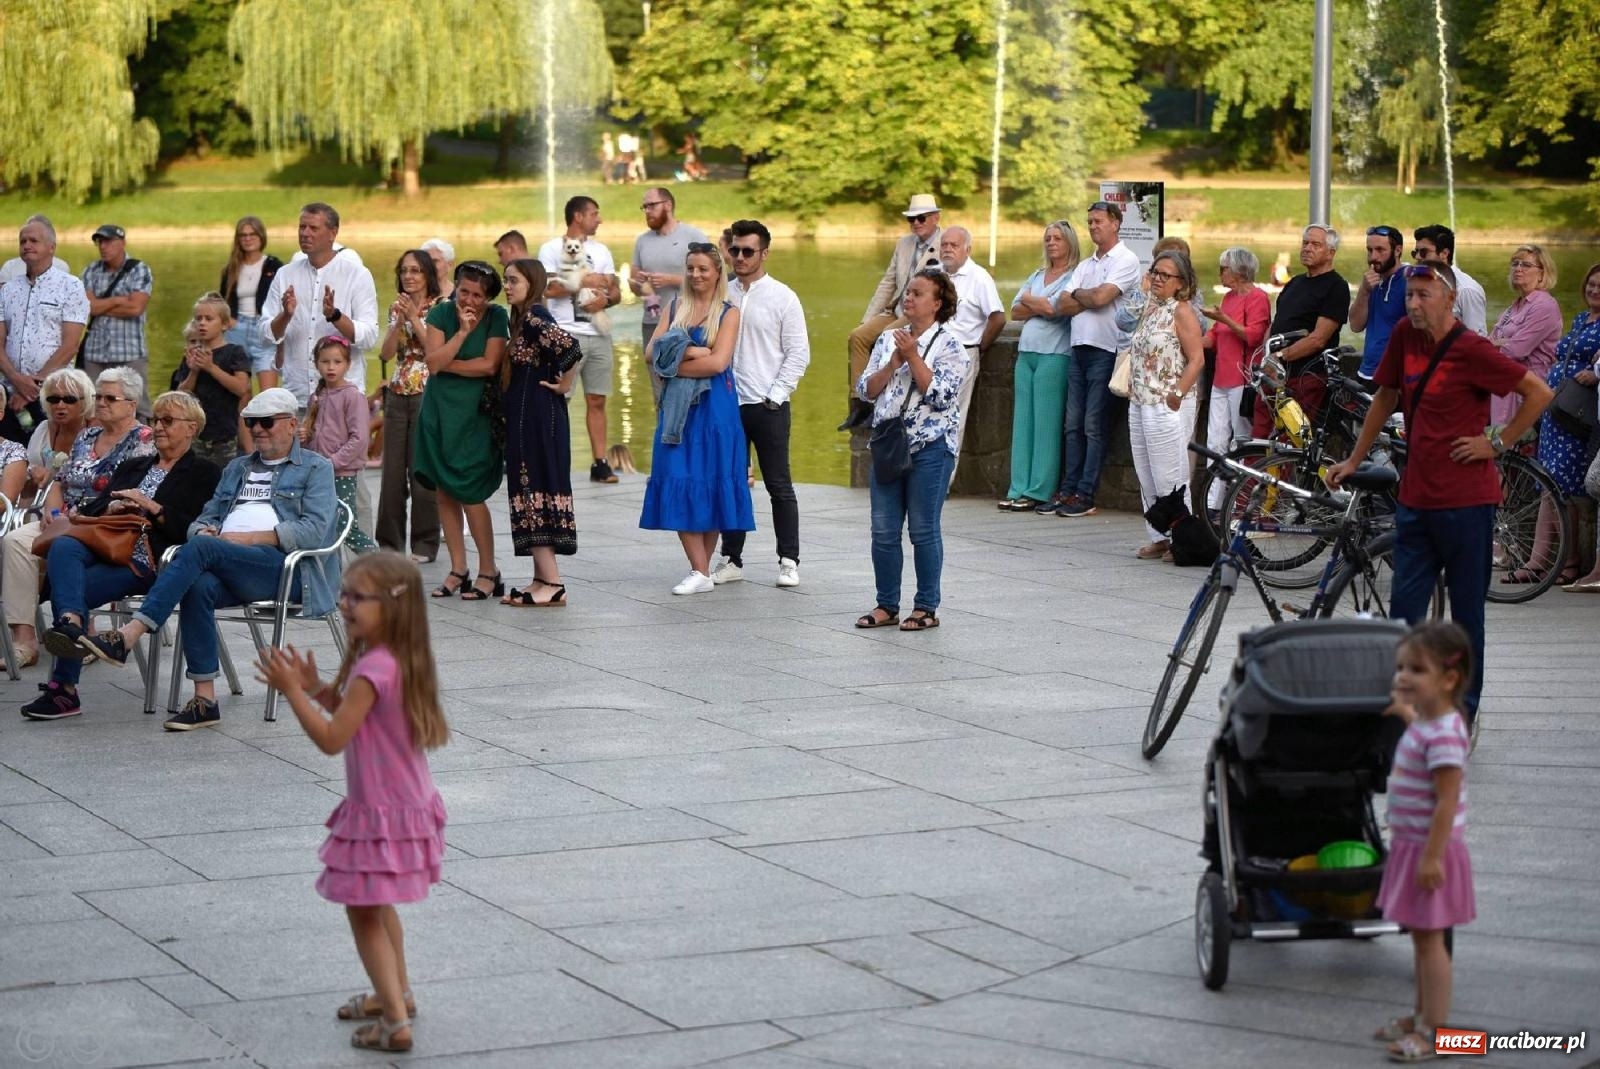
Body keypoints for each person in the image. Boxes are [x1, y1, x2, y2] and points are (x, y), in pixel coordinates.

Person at [1327, 262, 1553, 731]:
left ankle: (1462, 715)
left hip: (1467, 505)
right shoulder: (1406, 337)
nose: (1413, 304)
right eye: (1410, 295)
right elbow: (1386, 397)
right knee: (1405, 615)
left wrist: (1497, 442)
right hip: (1416, 501)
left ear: (1450, 300)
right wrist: (1353, 459)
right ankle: (1405, 713)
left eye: (1424, 295)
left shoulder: (1471, 349)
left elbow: (1537, 392)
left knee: (1466, 617)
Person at [253, 551, 447, 1055]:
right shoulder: (395, 658)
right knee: (376, 906)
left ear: (392, 606)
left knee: (362, 913)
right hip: (408, 804)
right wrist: (317, 686)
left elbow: (334, 739)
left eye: (358, 597)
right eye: (344, 594)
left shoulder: (373, 667)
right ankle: (395, 995)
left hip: (381, 811)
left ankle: (394, 1023)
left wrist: (293, 693)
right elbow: (364, 719)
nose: (345, 603)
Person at [64, 387, 341, 731]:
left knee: (202, 550)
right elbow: (203, 519)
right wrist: (205, 532)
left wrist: (245, 538)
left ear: (290, 424)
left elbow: (314, 531)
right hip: (228, 561)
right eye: (252, 422)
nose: (257, 429)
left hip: (285, 569)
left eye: (266, 422)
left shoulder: (316, 468)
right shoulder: (238, 468)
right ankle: (205, 699)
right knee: (198, 581)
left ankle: (131, 633)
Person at [28, 392, 221, 720]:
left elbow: (193, 528)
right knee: (63, 546)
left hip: (147, 557)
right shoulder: (134, 465)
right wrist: (114, 505)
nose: (158, 427)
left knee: (74, 589)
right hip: (105, 542)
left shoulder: (204, 472)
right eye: (155, 420)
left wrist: (152, 507)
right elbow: (92, 508)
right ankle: (72, 625)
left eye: (168, 421)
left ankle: (64, 690)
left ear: (191, 428)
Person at [1372, 622, 1476, 1064]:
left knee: (1431, 944)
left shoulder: (1448, 732)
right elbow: (1422, 732)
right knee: (1420, 939)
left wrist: (1432, 857)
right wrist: (1404, 713)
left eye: (1415, 669)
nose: (1402, 677)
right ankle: (1420, 1017)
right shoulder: (1431, 721)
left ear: (1448, 679)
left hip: (1431, 851)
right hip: (1414, 846)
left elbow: (1447, 802)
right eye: (1400, 667)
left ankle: (1437, 1032)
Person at [2, 368, 153, 667]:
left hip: (107, 527)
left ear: (132, 404)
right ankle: (24, 640)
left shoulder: (144, 439)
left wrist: (78, 518)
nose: (101, 403)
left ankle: (78, 629)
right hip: (67, 521)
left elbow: (134, 494)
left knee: (66, 551)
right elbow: (61, 480)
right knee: (15, 541)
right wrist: (53, 513)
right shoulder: (88, 435)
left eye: (111, 397)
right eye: (99, 396)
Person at [854, 269, 969, 632]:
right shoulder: (888, 339)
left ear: (937, 304)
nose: (909, 298)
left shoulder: (952, 346)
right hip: (889, 444)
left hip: (931, 447)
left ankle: (926, 607)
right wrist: (893, 363)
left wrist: (914, 358)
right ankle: (886, 604)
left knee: (922, 529)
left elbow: (942, 396)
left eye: (918, 294)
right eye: (908, 292)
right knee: (884, 529)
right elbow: (865, 391)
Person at [640, 243, 752, 594]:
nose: (695, 275)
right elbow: (650, 354)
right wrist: (690, 351)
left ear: (718, 272)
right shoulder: (675, 307)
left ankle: (700, 571)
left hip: (716, 409)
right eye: (690, 268)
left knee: (714, 480)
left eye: (703, 268)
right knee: (677, 475)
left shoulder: (729, 312)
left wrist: (673, 363)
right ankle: (699, 569)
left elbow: (718, 364)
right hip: (677, 411)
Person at [709, 220, 810, 589]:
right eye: (734, 249)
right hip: (726, 404)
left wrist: (776, 395)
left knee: (778, 485)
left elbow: (798, 352)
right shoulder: (722, 294)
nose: (738, 257)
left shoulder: (783, 296)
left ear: (764, 253)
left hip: (767, 404)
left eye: (747, 251)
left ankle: (788, 560)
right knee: (732, 482)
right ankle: (731, 558)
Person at [414, 262, 508, 602]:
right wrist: (463, 334)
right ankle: (458, 568)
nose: (469, 299)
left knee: (470, 491)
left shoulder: (497, 317)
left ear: (489, 297)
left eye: (478, 295)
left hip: (476, 414)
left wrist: (445, 362)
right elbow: (433, 362)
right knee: (444, 492)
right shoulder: (441, 313)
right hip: (440, 411)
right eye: (464, 291)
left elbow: (490, 364)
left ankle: (489, 570)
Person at [1048, 200, 1143, 518]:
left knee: (1093, 426)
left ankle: (1086, 493)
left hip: (1107, 350)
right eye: (1089, 222)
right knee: (1072, 425)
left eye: (1098, 221)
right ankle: (1068, 489)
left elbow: (1103, 298)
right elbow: (1063, 304)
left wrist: (1081, 296)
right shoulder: (1086, 265)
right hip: (1079, 348)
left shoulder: (1126, 259)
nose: (1092, 227)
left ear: (1115, 223)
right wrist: (1084, 296)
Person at [501, 259, 582, 606]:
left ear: (531, 283)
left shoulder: (535, 318)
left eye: (514, 280)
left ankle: (553, 582)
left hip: (538, 418)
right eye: (505, 280)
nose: (507, 286)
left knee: (535, 487)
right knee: (527, 487)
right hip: (526, 418)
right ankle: (540, 579)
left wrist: (564, 383)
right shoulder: (521, 319)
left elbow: (571, 348)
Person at [260, 203, 380, 411]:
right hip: (296, 397)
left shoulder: (357, 274)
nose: (305, 233)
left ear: (332, 233)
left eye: (313, 228)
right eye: (301, 227)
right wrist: (285, 316)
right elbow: (265, 334)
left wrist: (335, 316)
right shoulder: (285, 274)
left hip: (342, 399)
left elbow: (369, 337)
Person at [1128, 252, 1206, 562]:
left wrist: (1177, 393)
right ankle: (1158, 535)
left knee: (1169, 475)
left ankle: (1181, 539)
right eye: (1155, 272)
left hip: (1165, 402)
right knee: (1146, 473)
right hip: (1139, 400)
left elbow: (1197, 358)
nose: (1157, 278)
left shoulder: (1182, 311)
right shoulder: (1150, 307)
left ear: (1181, 283)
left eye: (1165, 275)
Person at [842, 194, 944, 431]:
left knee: (886, 336)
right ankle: (859, 404)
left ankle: (878, 402)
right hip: (896, 308)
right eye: (912, 219)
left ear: (936, 218)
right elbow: (888, 282)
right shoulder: (904, 243)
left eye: (921, 218)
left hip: (917, 314)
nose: (916, 223)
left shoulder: (944, 245)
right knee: (858, 336)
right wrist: (868, 319)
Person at [539, 196, 622, 483]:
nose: (599, 219)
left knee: (597, 398)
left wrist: (606, 299)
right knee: (560, 398)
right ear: (577, 216)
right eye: (594, 214)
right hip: (565, 333)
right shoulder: (550, 249)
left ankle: (600, 464)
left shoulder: (602, 251)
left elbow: (616, 291)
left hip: (598, 334)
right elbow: (547, 289)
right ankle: (553, 460)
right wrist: (583, 282)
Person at [1001, 221, 1079, 512]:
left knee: (1045, 425)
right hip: (1026, 354)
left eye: (1057, 238)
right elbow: (1015, 309)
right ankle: (1017, 486)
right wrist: (1039, 303)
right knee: (1023, 423)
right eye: (1047, 238)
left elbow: (1054, 308)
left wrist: (1034, 303)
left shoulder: (1074, 276)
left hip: (1054, 354)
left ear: (1069, 242)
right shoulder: (1037, 274)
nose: (1051, 242)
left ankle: (1039, 490)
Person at [1250, 223, 1350, 438]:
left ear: (1331, 252)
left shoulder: (1336, 287)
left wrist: (1280, 356)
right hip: (1272, 375)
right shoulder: (1295, 282)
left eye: (1315, 244)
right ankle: (1253, 473)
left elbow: (1318, 339)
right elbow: (1275, 325)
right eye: (1305, 243)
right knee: (1259, 435)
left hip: (1305, 378)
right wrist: (1268, 357)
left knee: (1292, 441)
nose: (1307, 248)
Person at [375, 251, 443, 564]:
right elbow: (387, 354)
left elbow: (434, 349)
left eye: (416, 270)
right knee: (391, 474)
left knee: (421, 470)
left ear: (428, 274)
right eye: (404, 270)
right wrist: (398, 321)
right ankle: (389, 543)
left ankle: (425, 543)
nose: (409, 276)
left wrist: (415, 318)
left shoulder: (442, 307)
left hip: (428, 392)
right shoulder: (396, 307)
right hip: (398, 391)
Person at [1535, 262, 1600, 588]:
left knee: (1568, 486)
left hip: (1577, 413)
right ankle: (1553, 558)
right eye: (1591, 284)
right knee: (1549, 481)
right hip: (1557, 408)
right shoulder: (1579, 319)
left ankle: (1572, 559)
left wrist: (1596, 372)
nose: (1594, 290)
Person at [0, 216, 88, 443]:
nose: (27, 245)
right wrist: (17, 381)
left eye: (33, 240)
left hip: (54, 394)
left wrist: (33, 387)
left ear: (52, 247)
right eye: (22, 241)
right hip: (9, 391)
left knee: (48, 457)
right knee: (10, 455)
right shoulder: (7, 290)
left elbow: (70, 346)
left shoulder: (71, 286)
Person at [1200, 247, 1270, 514]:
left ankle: (1240, 501)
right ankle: (1212, 502)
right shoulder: (1228, 298)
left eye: (1224, 268)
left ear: (1239, 271)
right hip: (1221, 378)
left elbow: (1253, 337)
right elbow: (1213, 338)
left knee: (1241, 439)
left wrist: (1223, 319)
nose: (1221, 273)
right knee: (1215, 440)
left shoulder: (1258, 298)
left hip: (1243, 379)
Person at [304, 336, 378, 555]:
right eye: (325, 361)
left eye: (337, 362)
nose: (331, 367)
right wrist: (304, 436)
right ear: (316, 363)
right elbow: (312, 434)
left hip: (342, 473)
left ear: (347, 365)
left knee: (347, 528)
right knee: (324, 525)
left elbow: (359, 439)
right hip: (319, 473)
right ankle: (330, 576)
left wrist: (332, 462)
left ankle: (380, 568)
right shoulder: (317, 396)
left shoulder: (353, 396)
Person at [937, 226, 1005, 459]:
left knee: (953, 418)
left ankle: (944, 480)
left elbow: (997, 318)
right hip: (929, 354)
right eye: (944, 244)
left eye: (953, 245)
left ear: (967, 249)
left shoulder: (979, 278)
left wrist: (979, 347)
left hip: (962, 354)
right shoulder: (934, 275)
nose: (947, 249)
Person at [631, 187, 708, 377]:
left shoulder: (693, 236)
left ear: (668, 205)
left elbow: (712, 279)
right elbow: (634, 286)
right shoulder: (642, 241)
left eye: (651, 205)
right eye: (644, 207)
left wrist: (672, 280)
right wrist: (640, 283)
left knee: (688, 384)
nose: (647, 211)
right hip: (653, 322)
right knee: (659, 388)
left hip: (689, 321)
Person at [81, 224, 155, 418]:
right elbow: (88, 308)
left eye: (108, 241)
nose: (103, 246)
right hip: (95, 353)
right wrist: (117, 300)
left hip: (130, 351)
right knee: (93, 408)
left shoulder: (139, 269)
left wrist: (101, 305)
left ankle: (144, 447)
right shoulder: (91, 271)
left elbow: (136, 308)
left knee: (139, 407)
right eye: (99, 242)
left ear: (122, 242)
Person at [172, 292, 251, 469]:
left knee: (224, 479)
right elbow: (180, 396)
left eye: (209, 319)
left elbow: (241, 388)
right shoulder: (193, 354)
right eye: (198, 318)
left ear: (224, 324)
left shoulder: (234, 352)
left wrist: (211, 368)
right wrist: (193, 371)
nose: (202, 323)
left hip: (225, 436)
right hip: (195, 435)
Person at [1488, 244, 1562, 427]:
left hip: (1526, 393)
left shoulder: (1545, 306)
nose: (1518, 268)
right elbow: (1487, 345)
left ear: (1542, 272)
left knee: (1515, 450)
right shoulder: (1515, 306)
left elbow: (1516, 350)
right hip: (1503, 388)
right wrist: (1499, 343)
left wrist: (1497, 344)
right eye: (1515, 263)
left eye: (1526, 265)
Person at [218, 216, 284, 388]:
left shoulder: (274, 266)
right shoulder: (231, 268)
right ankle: (242, 416)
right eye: (243, 235)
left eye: (252, 234)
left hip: (263, 329)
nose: (248, 239)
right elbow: (222, 299)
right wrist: (229, 320)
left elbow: (284, 298)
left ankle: (267, 416)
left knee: (268, 393)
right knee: (241, 392)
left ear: (261, 237)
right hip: (236, 329)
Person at [1351, 225, 1408, 378]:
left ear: (1397, 251)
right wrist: (1364, 290)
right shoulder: (1371, 280)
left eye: (1380, 250)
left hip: (1395, 377)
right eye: (1369, 250)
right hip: (1366, 372)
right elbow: (1355, 326)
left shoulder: (1410, 281)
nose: (1373, 257)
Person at [1412, 225, 1486, 335]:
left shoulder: (1467, 290)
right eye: (1415, 252)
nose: (1418, 257)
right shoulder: (1420, 283)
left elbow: (1477, 340)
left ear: (1444, 254)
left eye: (1423, 252)